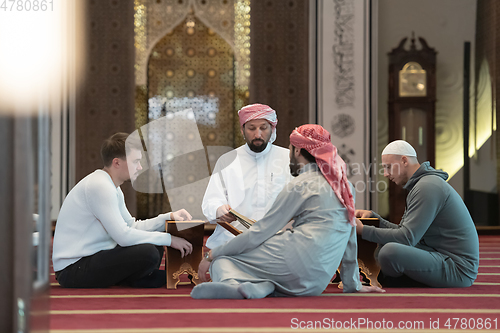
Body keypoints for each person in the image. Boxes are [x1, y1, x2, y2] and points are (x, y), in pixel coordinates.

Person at [191, 125, 385, 299]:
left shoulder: (299, 185)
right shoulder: (346, 185)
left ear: (298, 150)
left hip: (294, 261)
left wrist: (211, 255)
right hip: (317, 282)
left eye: (291, 149)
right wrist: (353, 284)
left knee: (224, 259)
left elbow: (260, 232)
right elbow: (349, 237)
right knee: (255, 257)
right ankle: (263, 287)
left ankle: (231, 284)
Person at [52, 132, 193, 288]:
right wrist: (170, 239)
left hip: (90, 258)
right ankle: (135, 279)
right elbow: (123, 237)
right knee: (149, 252)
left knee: (153, 245)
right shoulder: (100, 186)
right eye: (136, 162)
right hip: (73, 270)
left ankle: (135, 279)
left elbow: (132, 226)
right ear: (117, 163)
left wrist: (168, 217)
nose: (140, 167)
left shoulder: (112, 186)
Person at [355, 140, 479, 288]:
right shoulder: (422, 184)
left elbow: (406, 238)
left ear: (404, 160)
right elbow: (404, 232)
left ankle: (396, 280)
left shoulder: (427, 187)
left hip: (457, 269)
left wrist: (363, 230)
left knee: (389, 252)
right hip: (438, 255)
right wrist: (376, 219)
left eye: (388, 167)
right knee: (383, 249)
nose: (386, 174)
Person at [202, 103, 292, 249]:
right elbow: (211, 200)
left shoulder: (288, 159)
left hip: (278, 242)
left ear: (272, 129)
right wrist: (219, 210)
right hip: (233, 240)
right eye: (251, 128)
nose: (258, 134)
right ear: (242, 130)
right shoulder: (227, 160)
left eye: (263, 128)